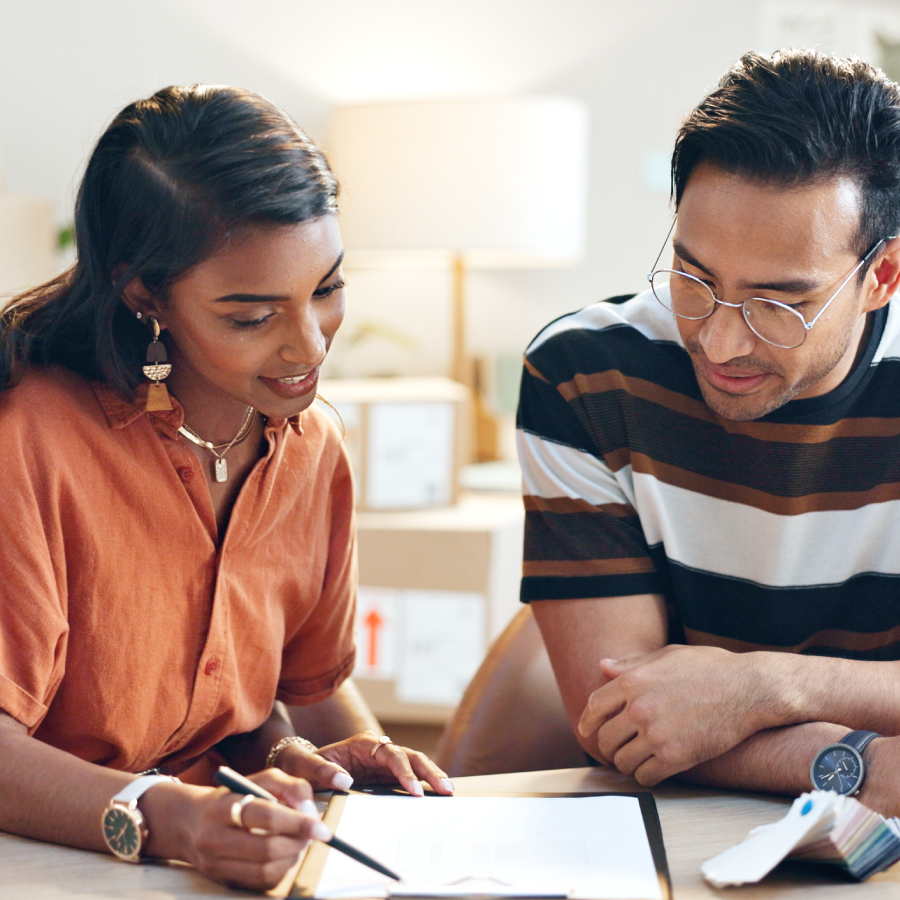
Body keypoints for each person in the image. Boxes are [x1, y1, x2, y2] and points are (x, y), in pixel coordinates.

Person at [0, 84, 451, 892]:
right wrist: (170, 817)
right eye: (252, 317)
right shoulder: (29, 440)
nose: (308, 346)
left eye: (327, 288)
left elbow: (288, 699)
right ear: (143, 294)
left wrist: (310, 763)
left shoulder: (314, 447)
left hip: (207, 863)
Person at [518, 49, 900, 816]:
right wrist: (852, 761)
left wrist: (765, 684)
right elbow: (621, 723)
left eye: (779, 303)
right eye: (694, 279)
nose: (722, 343)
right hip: (686, 826)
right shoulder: (587, 377)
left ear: (882, 277)